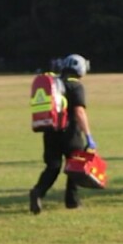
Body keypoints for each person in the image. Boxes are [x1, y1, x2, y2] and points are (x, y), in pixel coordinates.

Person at [29, 54, 96, 214]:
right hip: (70, 133)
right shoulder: (76, 86)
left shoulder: (55, 83)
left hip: (51, 131)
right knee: (75, 165)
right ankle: (71, 201)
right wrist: (88, 136)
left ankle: (38, 192)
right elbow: (79, 111)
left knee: (53, 166)